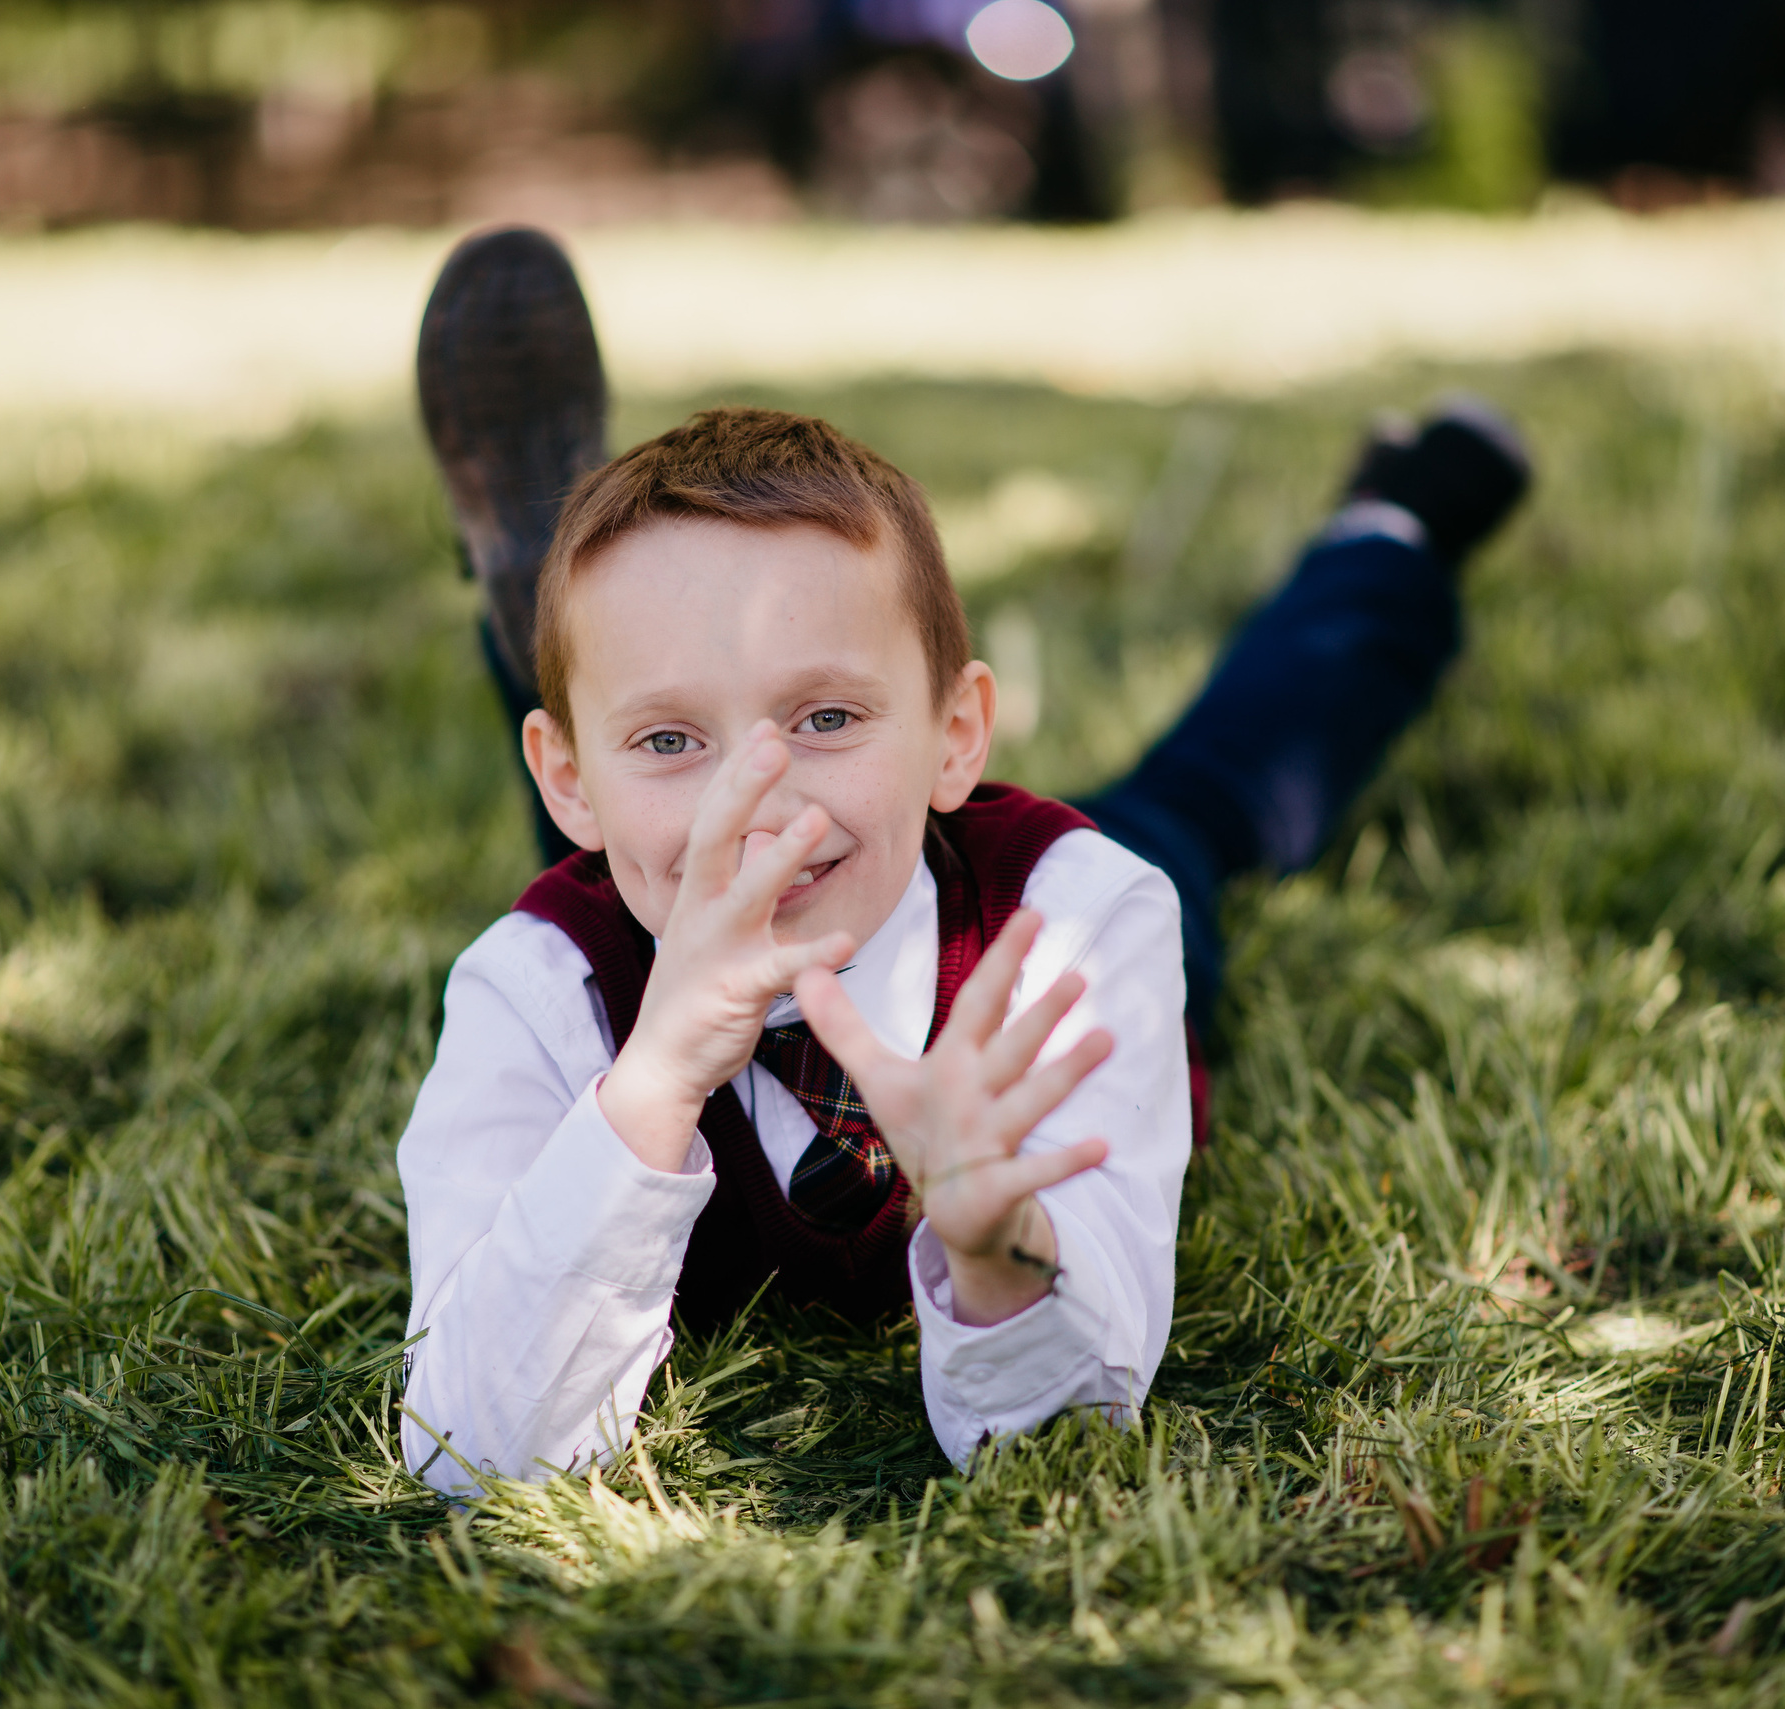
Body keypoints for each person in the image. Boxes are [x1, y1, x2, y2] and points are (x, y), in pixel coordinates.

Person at [397, 228, 1529, 1492]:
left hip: (988, 884)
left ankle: (1395, 528)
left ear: (956, 735)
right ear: (560, 778)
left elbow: (1060, 1440)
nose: (753, 799)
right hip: (694, 859)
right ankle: (567, 619)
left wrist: (997, 1246)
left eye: (824, 716)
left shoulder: (1078, 921)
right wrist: (650, 1083)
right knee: (644, 863)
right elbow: (467, 1448)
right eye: (676, 736)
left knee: (1206, 798)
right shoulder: (537, 986)